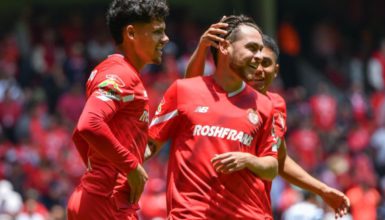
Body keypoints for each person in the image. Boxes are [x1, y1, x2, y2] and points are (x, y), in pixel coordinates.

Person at [185, 20, 350, 218]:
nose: (259, 69)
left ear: (276, 70)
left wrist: (322, 190)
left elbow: (278, 161)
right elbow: (190, 90)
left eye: (266, 63)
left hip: (254, 212)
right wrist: (203, 47)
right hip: (208, 210)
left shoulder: (275, 104)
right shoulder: (221, 94)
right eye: (254, 61)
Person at [147, 15, 278, 219]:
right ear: (225, 47)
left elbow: (272, 167)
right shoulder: (183, 91)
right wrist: (118, 166)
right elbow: (150, 145)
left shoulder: (264, 105)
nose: (259, 56)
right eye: (252, 48)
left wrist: (248, 160)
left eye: (261, 49)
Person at [67, 0, 169, 219]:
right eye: (157, 32)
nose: (165, 39)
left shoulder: (118, 71)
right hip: (105, 203)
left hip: (101, 199)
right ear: (131, 33)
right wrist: (130, 167)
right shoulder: (120, 75)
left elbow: (79, 137)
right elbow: (88, 125)